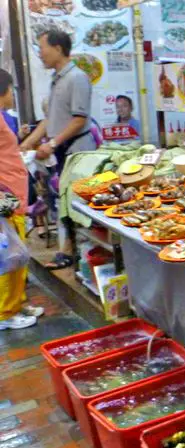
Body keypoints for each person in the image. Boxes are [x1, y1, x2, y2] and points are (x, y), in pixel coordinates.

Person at [20, 29, 96, 270]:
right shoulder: (58, 79)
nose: (40, 54)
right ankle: (69, 252)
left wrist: (51, 143)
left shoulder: (77, 78)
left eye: (42, 48)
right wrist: (28, 142)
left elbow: (79, 120)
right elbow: (49, 119)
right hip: (62, 152)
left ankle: (78, 253)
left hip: (77, 151)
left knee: (76, 203)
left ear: (58, 48)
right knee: (62, 202)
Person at [0, 68, 44, 330]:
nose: (13, 95)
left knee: (19, 250)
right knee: (8, 253)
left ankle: (17, 302)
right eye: (11, 89)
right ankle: (5, 313)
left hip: (14, 193)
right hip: (5, 195)